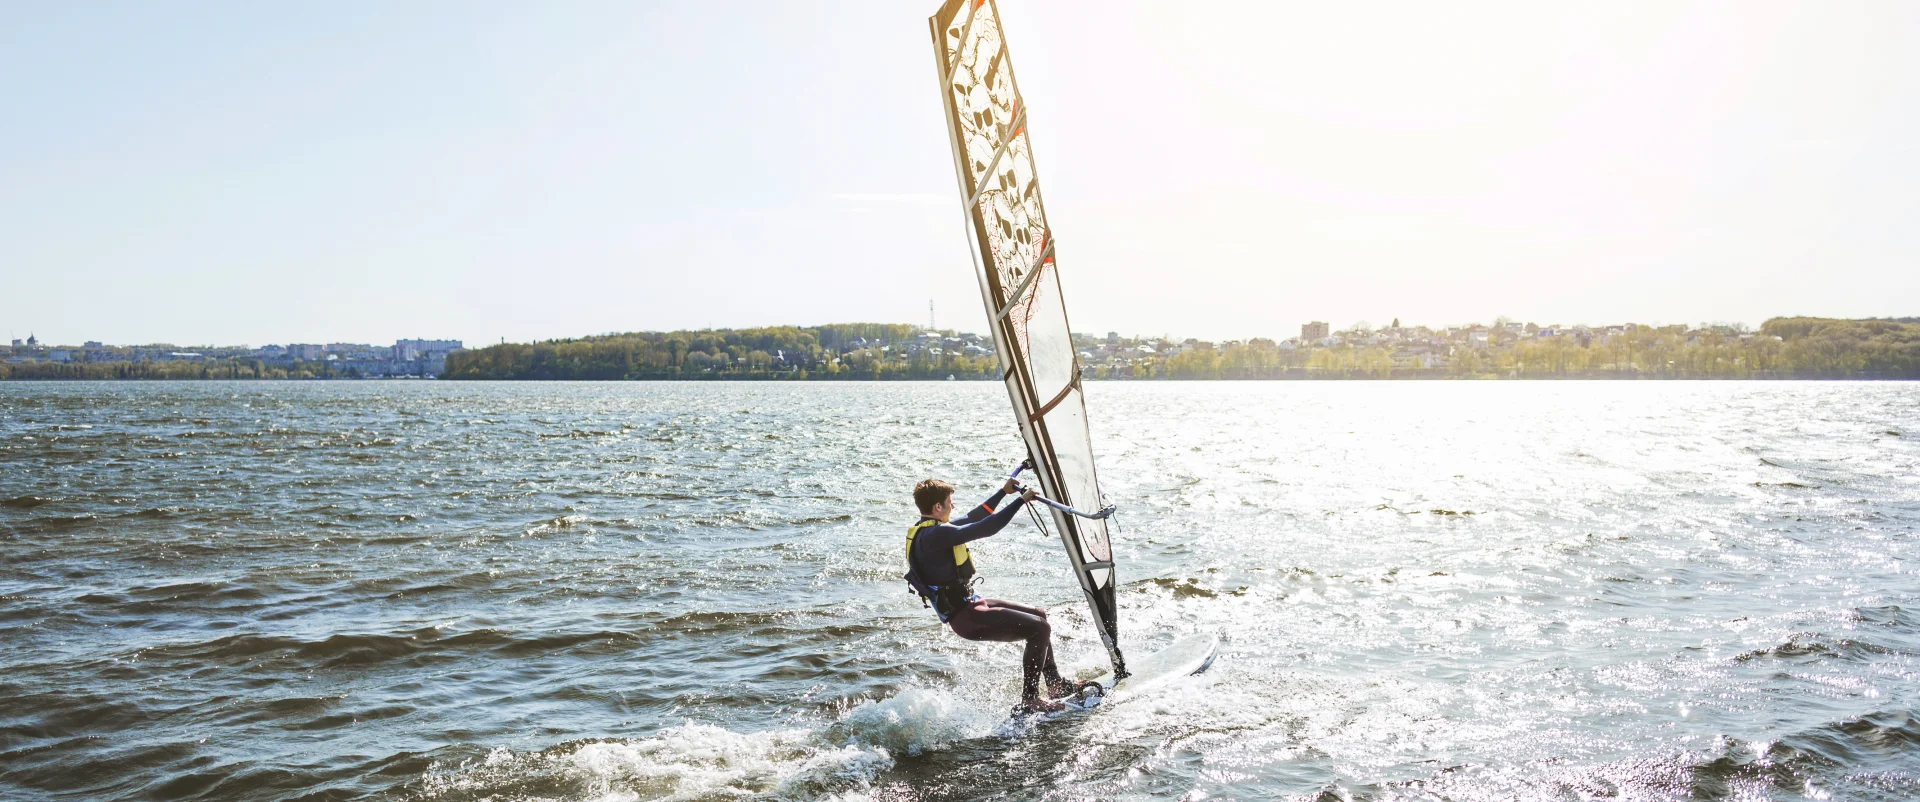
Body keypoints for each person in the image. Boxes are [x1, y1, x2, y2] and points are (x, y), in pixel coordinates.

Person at [906, 476, 1092, 713]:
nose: (953, 507)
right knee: (1039, 629)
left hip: (970, 605)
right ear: (938, 507)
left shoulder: (929, 531)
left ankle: (1054, 683)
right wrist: (1020, 501)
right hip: (966, 618)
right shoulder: (936, 536)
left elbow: (975, 517)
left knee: (1040, 616)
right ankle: (1030, 699)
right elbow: (986, 527)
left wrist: (1003, 492)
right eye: (950, 502)